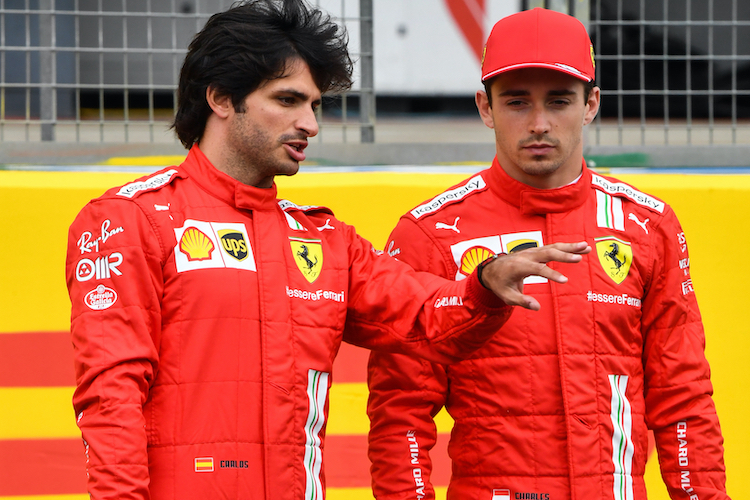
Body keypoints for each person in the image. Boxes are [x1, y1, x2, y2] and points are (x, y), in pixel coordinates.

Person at [65, 2, 591, 499]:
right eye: (288, 100)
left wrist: (483, 287)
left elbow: (425, 315)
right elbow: (111, 398)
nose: (310, 125)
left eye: (315, 105)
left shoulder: (323, 240)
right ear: (221, 98)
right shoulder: (130, 219)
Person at [367, 7, 730, 500]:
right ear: (484, 107)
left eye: (559, 101)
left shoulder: (648, 225)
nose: (539, 123)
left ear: (591, 103)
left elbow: (682, 396)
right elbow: (400, 409)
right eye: (517, 102)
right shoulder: (431, 234)